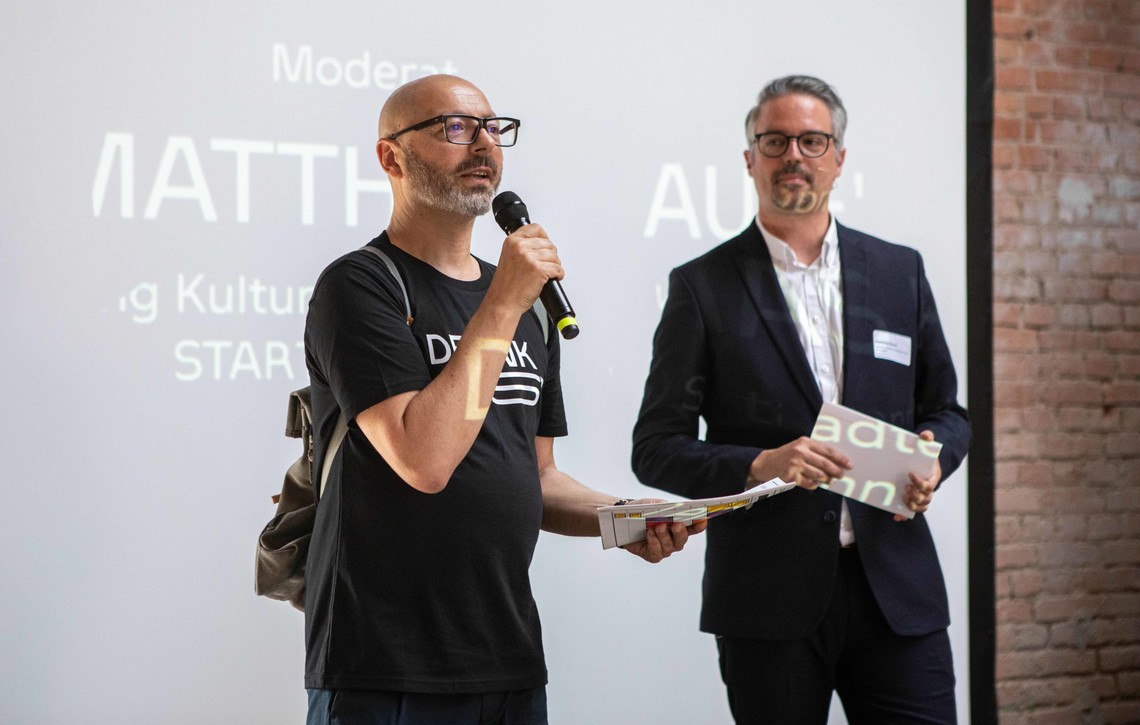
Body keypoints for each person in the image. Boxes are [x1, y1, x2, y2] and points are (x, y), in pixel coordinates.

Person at [302, 74, 704, 725]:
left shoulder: (528, 306)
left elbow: (536, 478)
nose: (484, 144)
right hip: (385, 669)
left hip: (508, 661)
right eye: (454, 128)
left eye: (494, 127)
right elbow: (424, 460)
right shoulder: (361, 285)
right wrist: (507, 300)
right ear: (391, 157)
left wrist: (631, 517)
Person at [631, 75, 971, 724]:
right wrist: (762, 462)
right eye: (776, 140)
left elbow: (947, 413)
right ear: (749, 158)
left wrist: (934, 459)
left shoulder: (901, 271)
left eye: (813, 140)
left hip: (897, 592)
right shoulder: (701, 287)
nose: (794, 154)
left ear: (839, 158)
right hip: (766, 600)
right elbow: (656, 449)